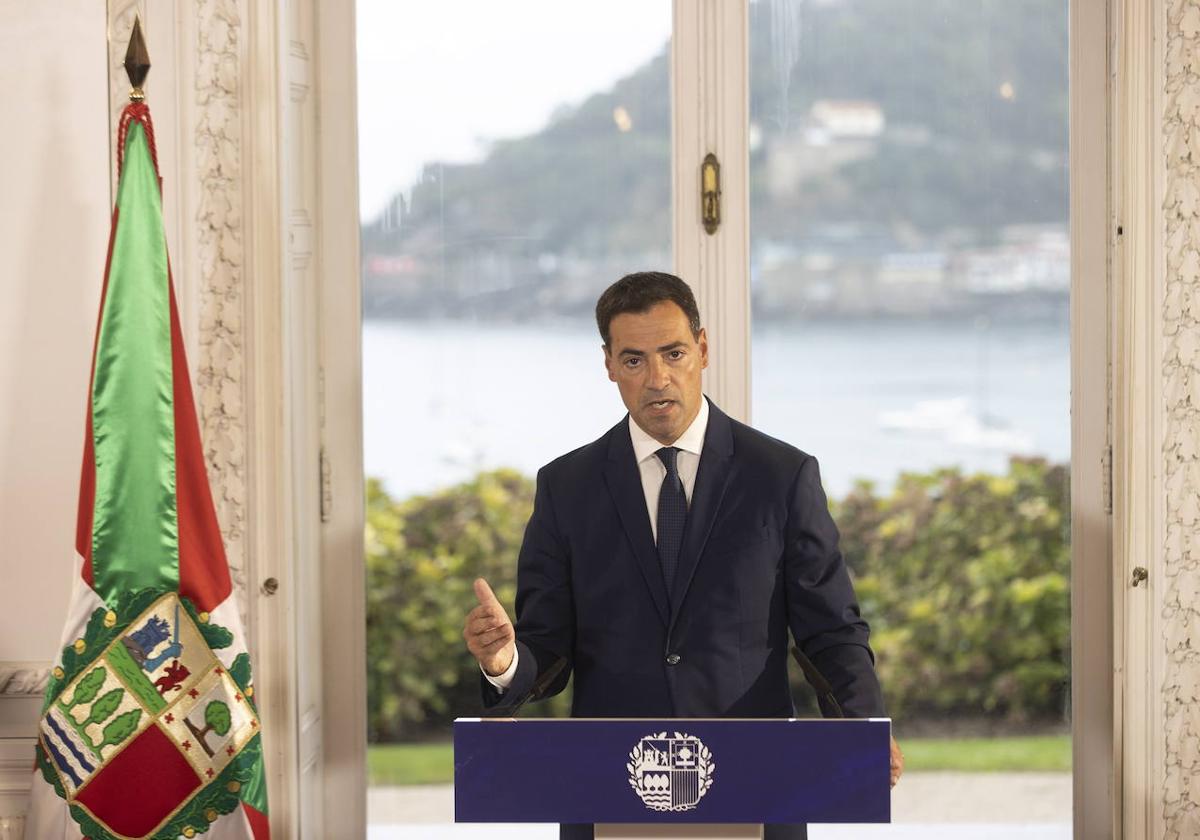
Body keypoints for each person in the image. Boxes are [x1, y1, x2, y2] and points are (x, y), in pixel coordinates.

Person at [463, 271, 902, 840]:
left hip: (756, 783)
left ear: (703, 348)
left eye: (673, 353)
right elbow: (548, 650)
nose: (658, 378)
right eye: (634, 360)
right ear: (608, 365)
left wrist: (863, 728)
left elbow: (830, 631)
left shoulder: (782, 476)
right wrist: (502, 662)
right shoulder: (565, 487)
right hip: (606, 789)